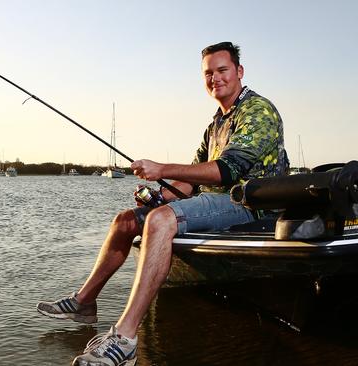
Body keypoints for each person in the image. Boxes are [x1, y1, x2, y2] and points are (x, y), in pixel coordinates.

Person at [37, 41, 289, 366]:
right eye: (208, 73)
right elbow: (192, 179)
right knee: (126, 220)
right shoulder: (215, 124)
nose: (215, 78)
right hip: (215, 199)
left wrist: (162, 169)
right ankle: (84, 302)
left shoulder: (258, 111)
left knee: (160, 221)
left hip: (249, 204)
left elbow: (227, 170)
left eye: (222, 70)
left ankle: (125, 338)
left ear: (238, 71)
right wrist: (160, 195)